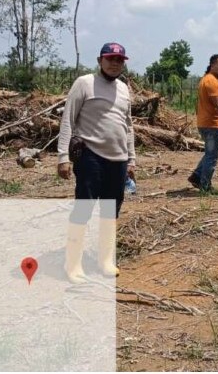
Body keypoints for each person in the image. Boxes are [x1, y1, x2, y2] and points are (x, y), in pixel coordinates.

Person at [57, 42, 136, 283]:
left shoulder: (123, 89)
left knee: (110, 211)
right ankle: (73, 264)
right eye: (110, 58)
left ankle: (105, 260)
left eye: (119, 60)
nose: (115, 63)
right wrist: (63, 157)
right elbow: (68, 119)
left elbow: (128, 125)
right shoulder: (84, 83)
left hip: (119, 158)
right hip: (90, 154)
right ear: (100, 60)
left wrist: (132, 159)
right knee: (84, 207)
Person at [189, 54, 218, 194]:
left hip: (206, 123)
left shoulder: (209, 80)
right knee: (212, 156)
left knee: (210, 153)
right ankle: (205, 186)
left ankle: (196, 176)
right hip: (212, 125)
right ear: (212, 65)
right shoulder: (211, 81)